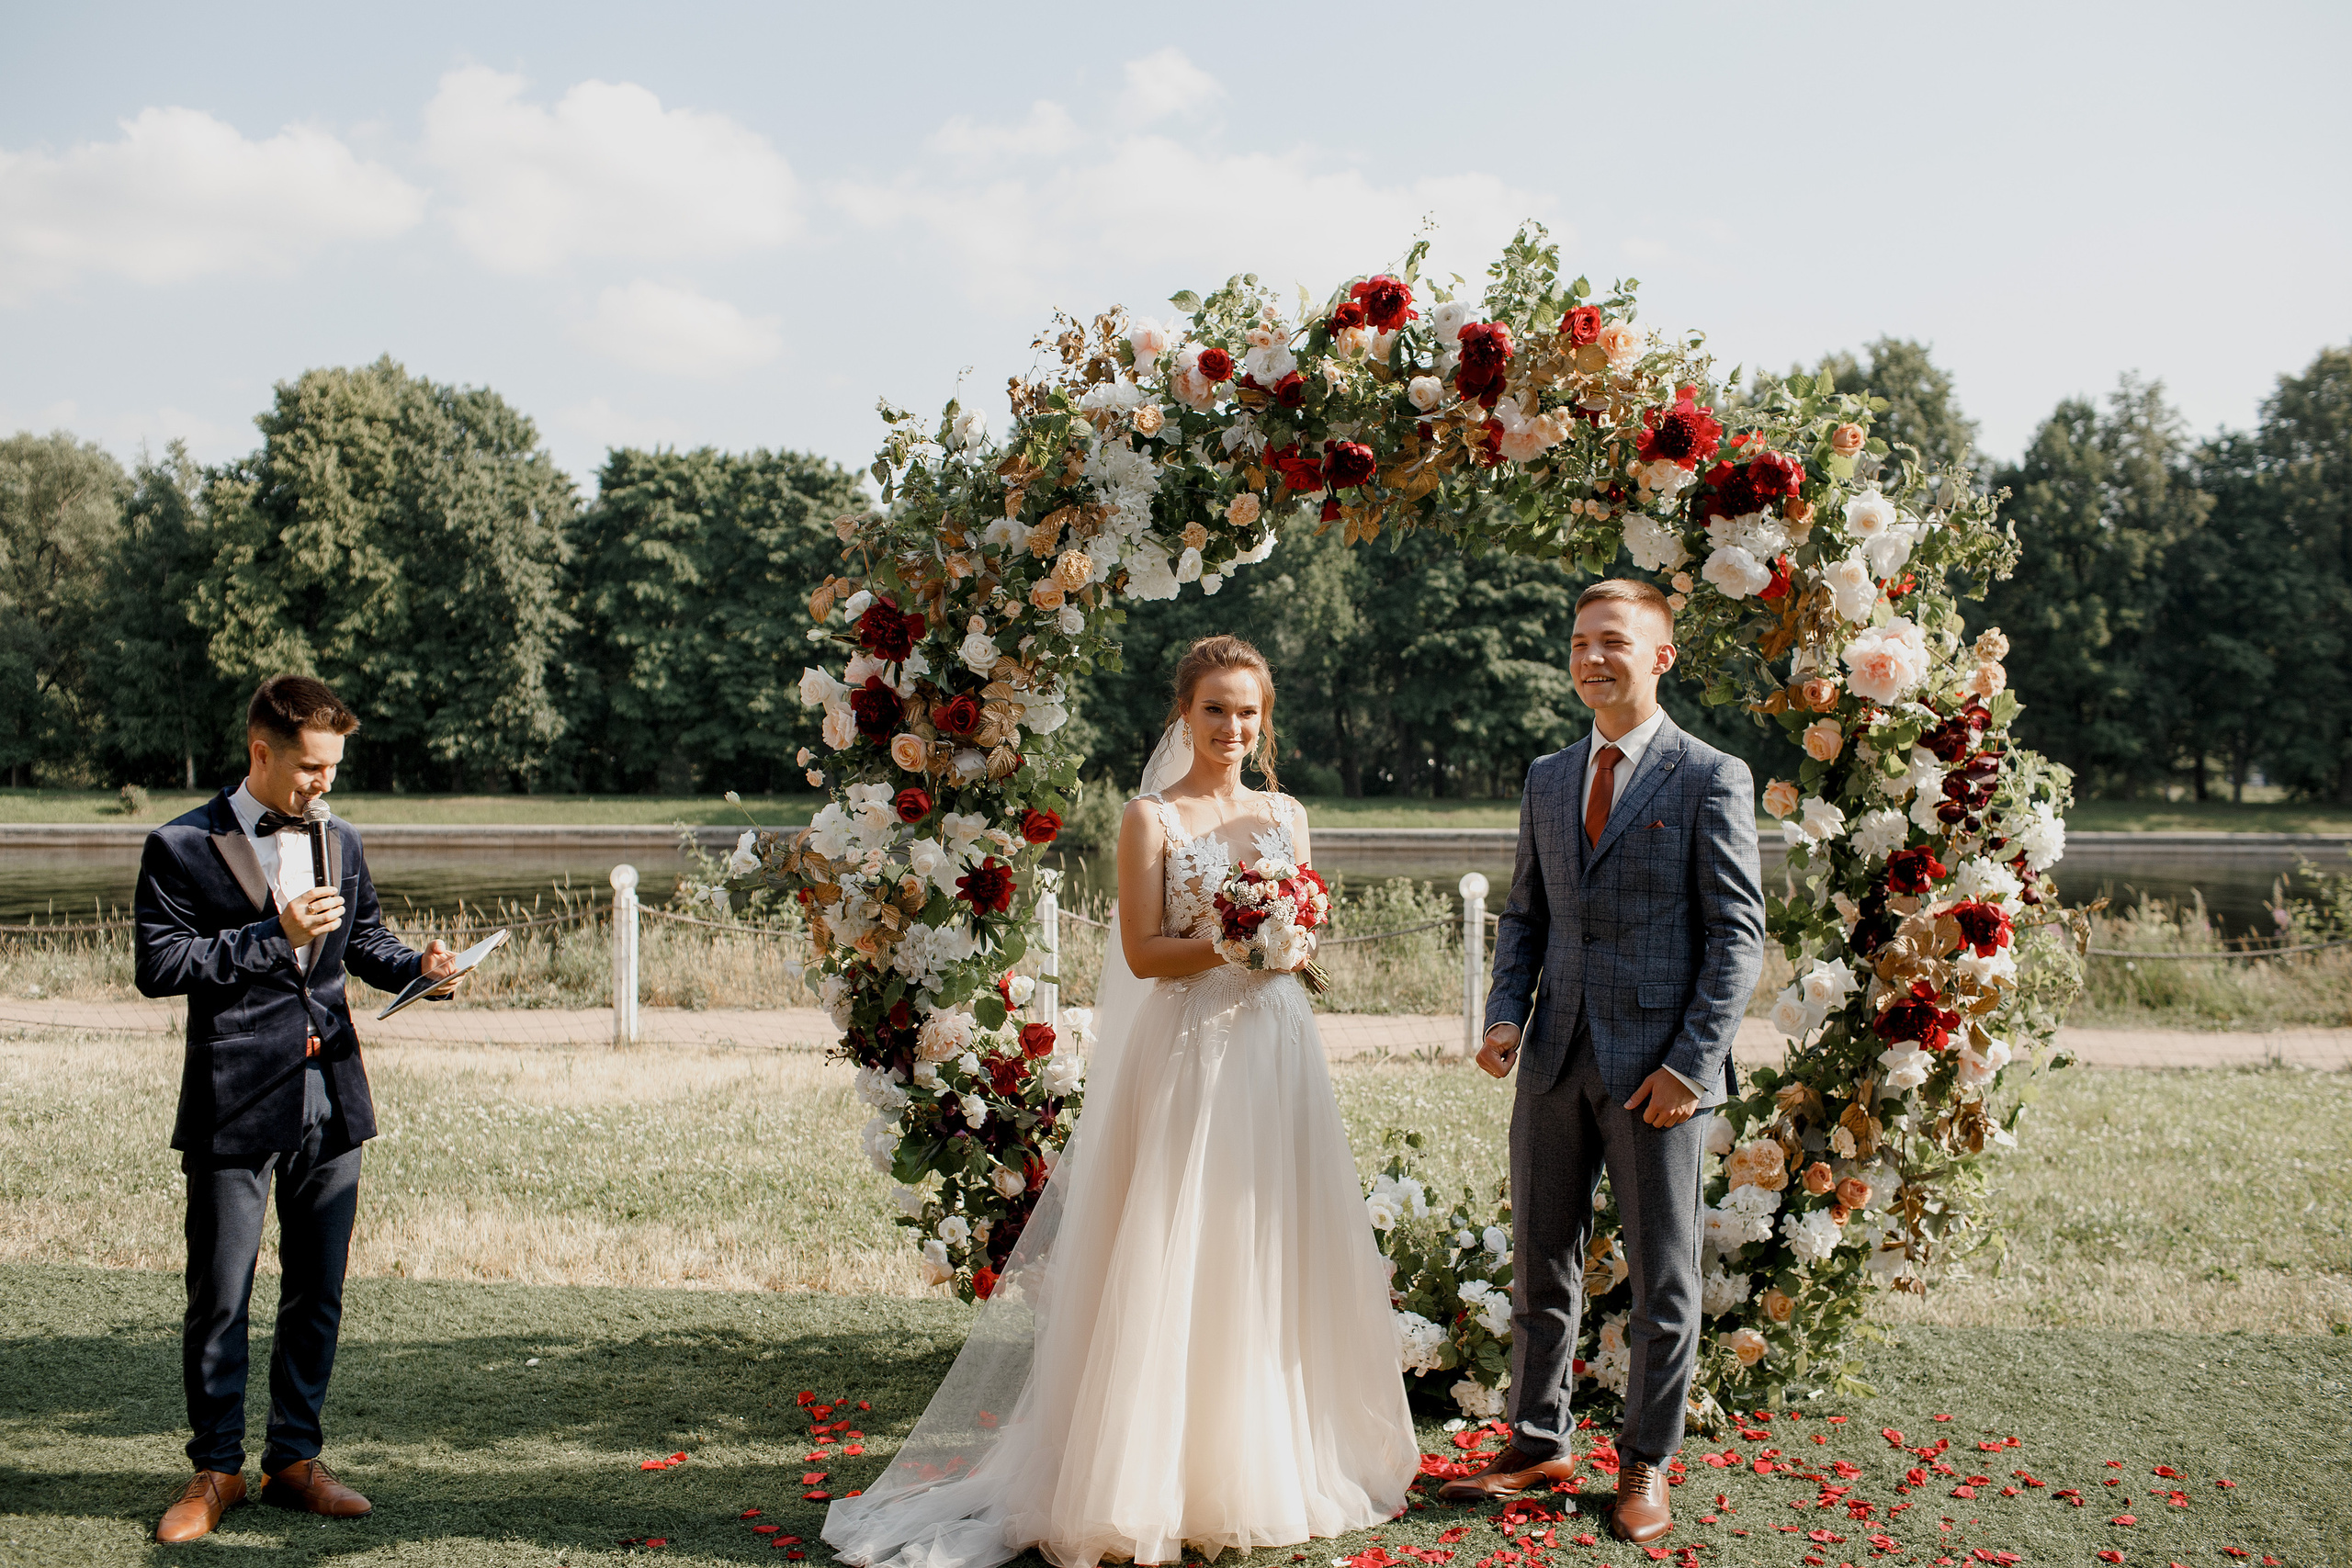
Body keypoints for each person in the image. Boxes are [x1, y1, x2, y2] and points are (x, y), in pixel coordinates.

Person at [824, 635, 1417, 1568]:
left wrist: (1289, 940)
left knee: (1267, 1239)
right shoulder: (1152, 818)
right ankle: (1155, 1475)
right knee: (1182, 1243)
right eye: (1214, 708)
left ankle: (1262, 1463)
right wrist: (1236, 941)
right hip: (1190, 1049)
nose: (1231, 727)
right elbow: (1144, 953)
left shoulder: (1286, 814)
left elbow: (1302, 926)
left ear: (1265, 720)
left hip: (1277, 1048)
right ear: (1184, 712)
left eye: (1248, 711)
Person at [1442, 581, 1765, 1545]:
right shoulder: (1548, 777)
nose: (1591, 657)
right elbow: (1526, 916)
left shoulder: (1712, 776)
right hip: (1551, 1060)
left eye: (1614, 642)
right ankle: (1536, 1441)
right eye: (1581, 641)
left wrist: (1691, 1066)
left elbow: (1737, 938)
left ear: (1661, 656)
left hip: (1659, 1076)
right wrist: (1505, 1015)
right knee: (1540, 1263)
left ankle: (1644, 1462)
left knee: (1664, 1279)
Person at [136, 674, 460, 1545]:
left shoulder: (340, 837)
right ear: (262, 752)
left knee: (318, 1291)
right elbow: (159, 965)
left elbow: (365, 940)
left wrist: (421, 969)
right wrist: (269, 935)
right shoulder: (179, 844)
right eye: (313, 767)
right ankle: (216, 1469)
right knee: (221, 1294)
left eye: (334, 768)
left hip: (333, 1093)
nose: (326, 783)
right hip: (234, 1097)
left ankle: (294, 1459)